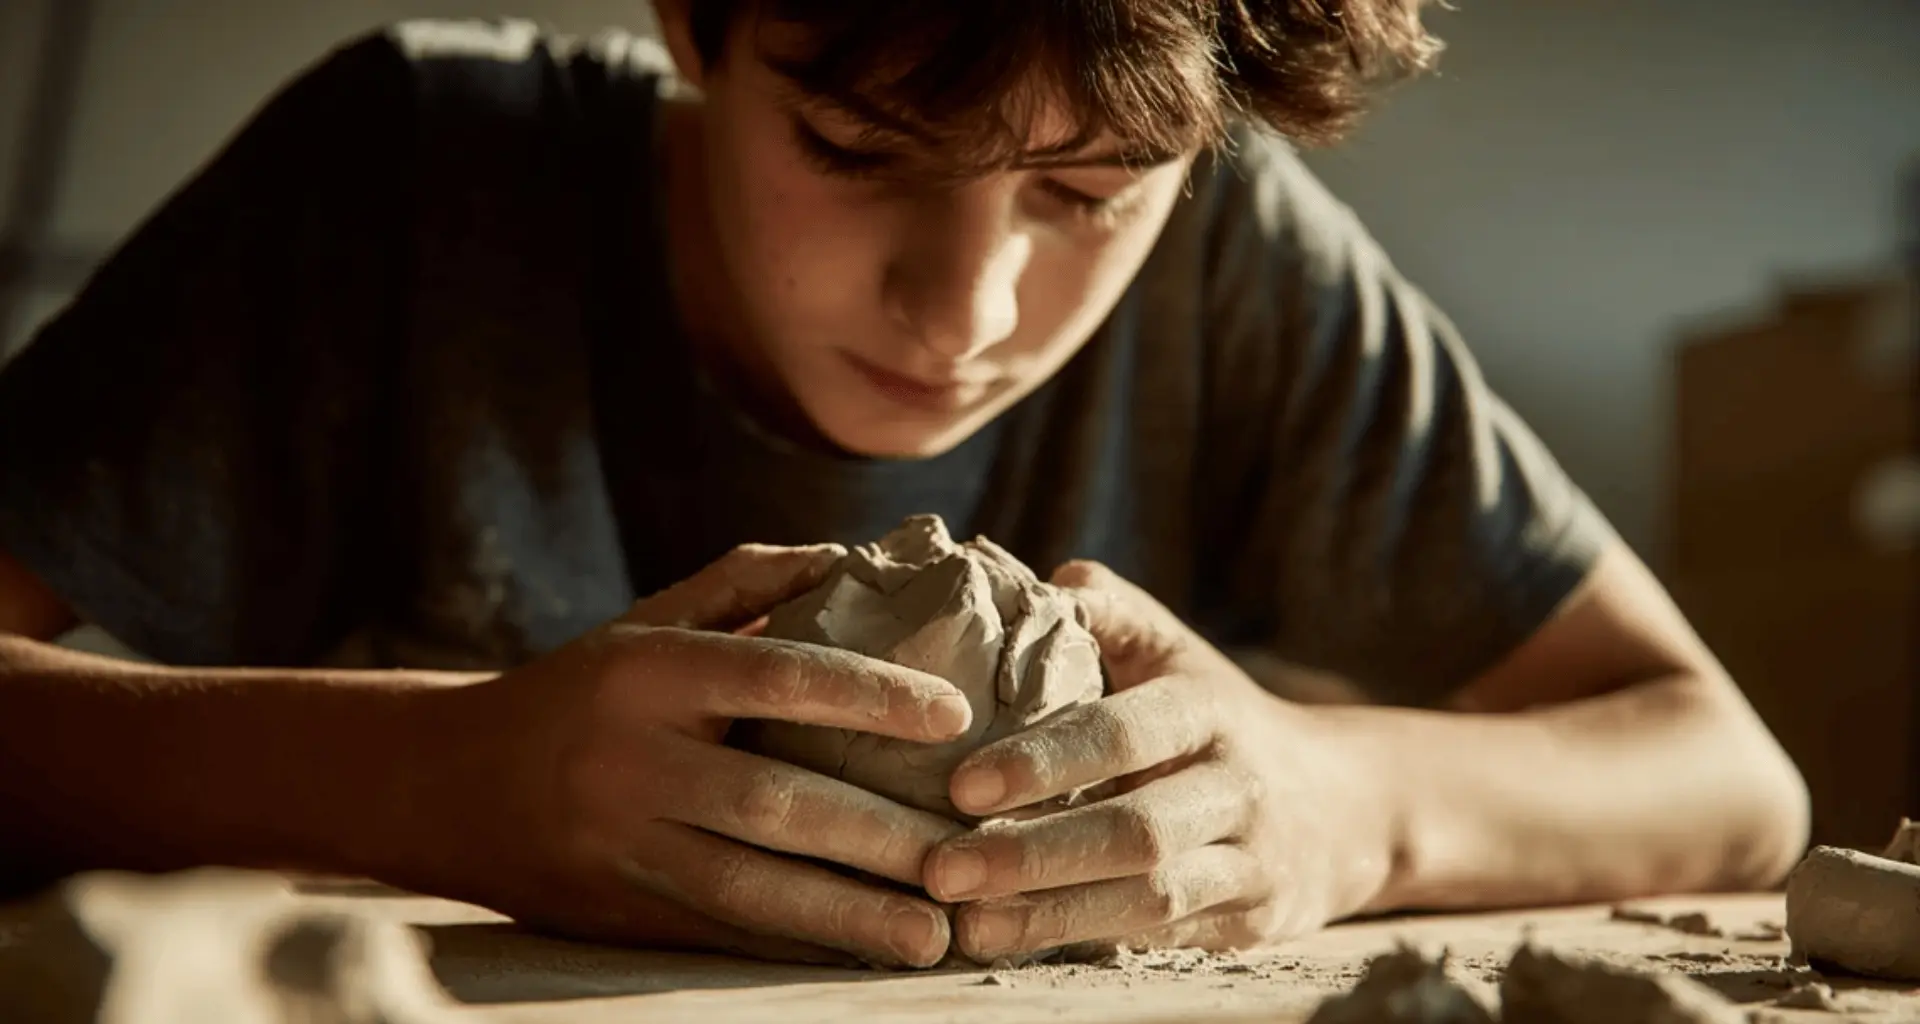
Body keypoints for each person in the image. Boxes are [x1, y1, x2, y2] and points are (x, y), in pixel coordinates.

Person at [0, 0, 1809, 971]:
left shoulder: (1242, 264)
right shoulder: (401, 181)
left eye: (1092, 190)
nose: (972, 313)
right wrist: (431, 780)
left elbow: (1727, 778)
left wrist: (1340, 801)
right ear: (694, 22)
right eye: (857, 149)